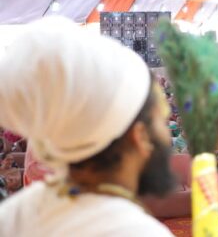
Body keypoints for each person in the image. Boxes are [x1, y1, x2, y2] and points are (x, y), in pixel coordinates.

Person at [0, 18, 175, 236]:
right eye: (161, 119)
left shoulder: (16, 214)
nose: (167, 135)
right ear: (140, 136)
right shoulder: (134, 231)